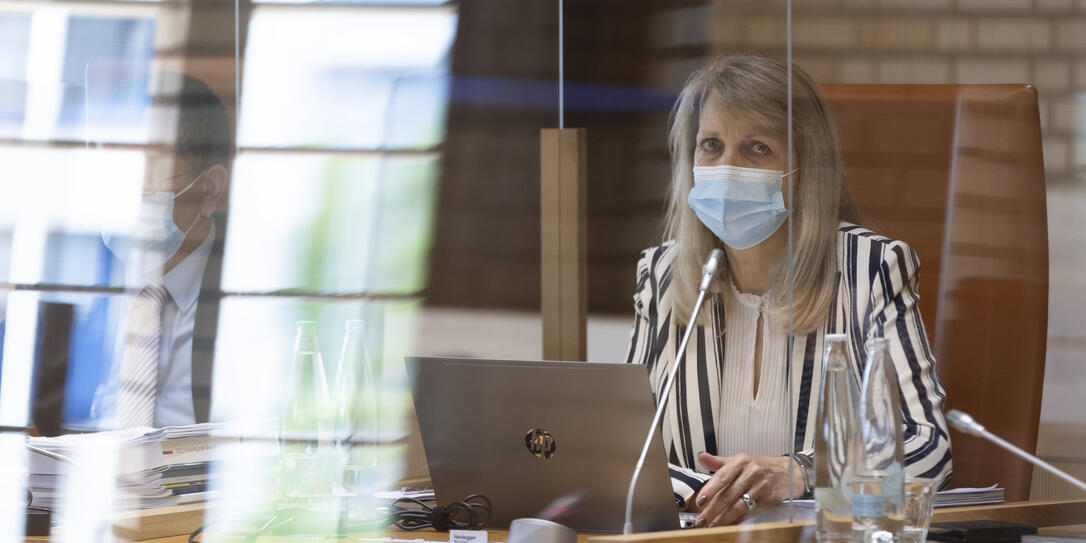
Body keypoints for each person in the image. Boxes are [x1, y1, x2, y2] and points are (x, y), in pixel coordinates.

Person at [624, 53, 952, 528]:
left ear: (805, 168)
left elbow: (928, 448)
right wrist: (714, 494)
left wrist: (797, 472)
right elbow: (625, 451)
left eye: (757, 148)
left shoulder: (871, 269)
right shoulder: (662, 275)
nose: (728, 166)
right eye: (711, 145)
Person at [86, 71, 231, 428]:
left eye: (153, 170)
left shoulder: (244, 299)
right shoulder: (83, 282)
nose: (132, 190)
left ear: (210, 189)